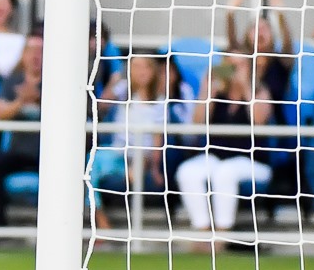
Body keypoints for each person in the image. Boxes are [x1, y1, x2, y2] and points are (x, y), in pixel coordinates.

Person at [175, 55, 273, 248]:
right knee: (187, 171)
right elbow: (197, 123)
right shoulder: (217, 94)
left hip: (252, 162)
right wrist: (207, 90)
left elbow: (260, 121)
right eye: (230, 65)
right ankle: (203, 232)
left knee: (226, 172)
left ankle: (221, 236)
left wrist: (245, 86)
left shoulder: (260, 92)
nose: (235, 69)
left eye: (240, 65)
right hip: (216, 158)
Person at [88, 55, 172, 230]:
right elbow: (101, 106)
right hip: (118, 152)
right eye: (136, 67)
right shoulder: (123, 91)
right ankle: (100, 219)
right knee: (89, 165)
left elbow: (158, 138)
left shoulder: (160, 102)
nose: (141, 72)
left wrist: (155, 167)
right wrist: (114, 82)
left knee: (139, 163)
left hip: (143, 155)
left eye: (145, 67)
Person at [0, 31, 44, 227]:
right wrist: (21, 101)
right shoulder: (12, 82)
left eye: (41, 51)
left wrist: (40, 99)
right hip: (18, 152)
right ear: (23, 55)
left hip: (48, 153)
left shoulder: (60, 83)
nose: (35, 56)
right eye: (31, 50)